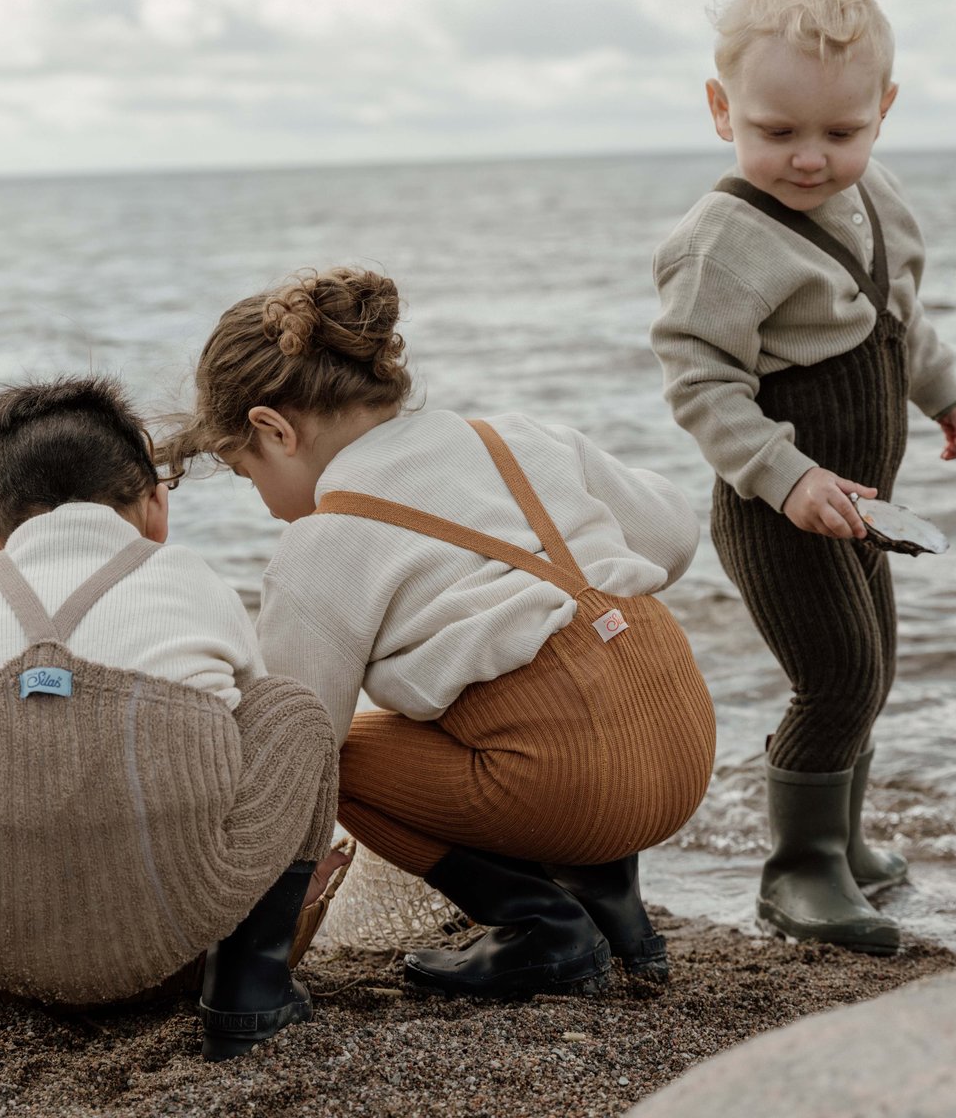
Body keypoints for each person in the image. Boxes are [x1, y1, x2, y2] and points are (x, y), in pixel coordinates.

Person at [156, 267, 716, 1001]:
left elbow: (298, 749)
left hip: (581, 787)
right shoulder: (517, 436)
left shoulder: (322, 542)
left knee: (339, 756)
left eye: (244, 471)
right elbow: (672, 538)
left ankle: (543, 924)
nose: (263, 503)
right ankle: (614, 908)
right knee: (487, 690)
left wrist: (249, 944)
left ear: (274, 430)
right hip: (683, 745)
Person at [0, 377, 338, 1105]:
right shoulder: (190, 577)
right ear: (155, 508)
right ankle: (247, 999)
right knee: (290, 709)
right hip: (182, 909)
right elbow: (255, 730)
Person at [650, 0, 956, 954]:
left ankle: (843, 844)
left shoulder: (878, 197)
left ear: (884, 109)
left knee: (872, 668)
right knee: (834, 676)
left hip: (862, 505)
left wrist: (943, 390)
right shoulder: (721, 241)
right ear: (722, 111)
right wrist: (785, 476)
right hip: (777, 508)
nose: (810, 158)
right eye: (777, 131)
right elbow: (699, 381)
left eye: (841, 133)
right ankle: (797, 872)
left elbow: (897, 316)